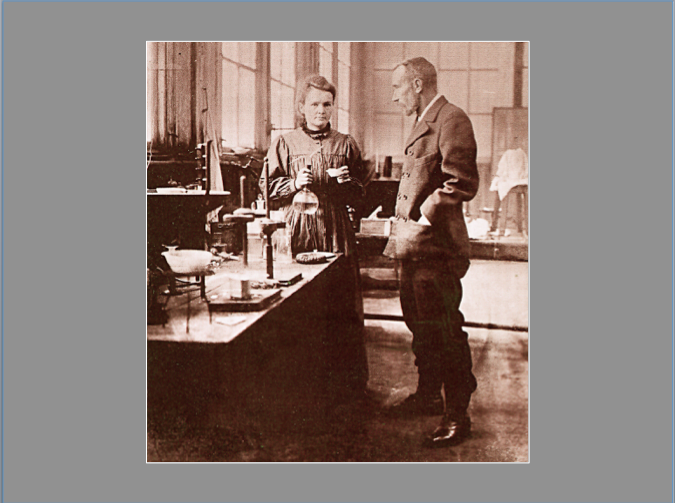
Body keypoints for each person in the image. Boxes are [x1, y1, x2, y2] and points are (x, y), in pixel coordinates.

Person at [384, 57, 479, 447]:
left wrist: (422, 217)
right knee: (419, 324)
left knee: (444, 329)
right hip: (412, 247)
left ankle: (457, 414)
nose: (394, 97)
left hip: (436, 249)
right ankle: (427, 396)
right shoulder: (423, 120)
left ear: (417, 84)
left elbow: (461, 181)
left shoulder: (452, 119)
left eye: (397, 87)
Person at [262, 74, 369, 401]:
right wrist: (294, 184)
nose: (321, 110)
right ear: (301, 107)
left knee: (339, 303)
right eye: (314, 104)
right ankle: (299, 386)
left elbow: (362, 196)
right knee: (299, 302)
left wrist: (347, 182)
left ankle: (343, 387)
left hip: (336, 229)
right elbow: (266, 191)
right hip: (299, 229)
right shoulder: (284, 143)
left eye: (327, 104)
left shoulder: (346, 144)